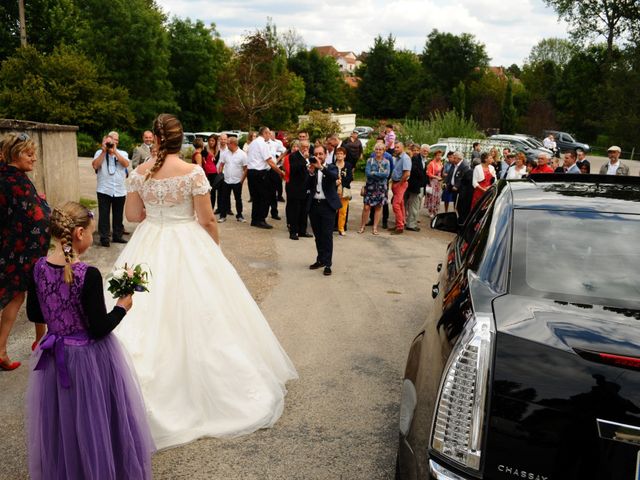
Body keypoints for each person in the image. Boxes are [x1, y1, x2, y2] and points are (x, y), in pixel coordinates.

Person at [110, 113, 298, 450]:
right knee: (205, 312)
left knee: (143, 312)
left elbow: (132, 217)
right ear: (180, 140)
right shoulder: (192, 172)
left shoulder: (138, 173)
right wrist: (213, 252)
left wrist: (155, 209)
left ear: (154, 138)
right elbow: (206, 219)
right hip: (186, 240)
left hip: (149, 241)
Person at [26, 202, 154, 479]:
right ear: (80, 233)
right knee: (93, 419)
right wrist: (122, 307)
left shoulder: (37, 268)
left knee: (63, 420)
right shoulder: (88, 275)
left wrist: (57, 319)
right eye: (92, 233)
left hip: (54, 354)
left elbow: (34, 313)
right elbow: (99, 328)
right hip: (87, 359)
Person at [0, 133, 51, 371]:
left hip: (24, 250)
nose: (34, 158)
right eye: (29, 154)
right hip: (19, 252)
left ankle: (39, 341)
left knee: (27, 293)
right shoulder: (12, 180)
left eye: (35, 154)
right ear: (14, 154)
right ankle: (5, 349)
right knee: (21, 294)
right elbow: (26, 215)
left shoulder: (13, 176)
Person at [307, 146, 341, 276]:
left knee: (327, 235)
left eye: (321, 154)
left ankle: (328, 264)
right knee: (318, 235)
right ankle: (320, 259)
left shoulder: (331, 167)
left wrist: (321, 167)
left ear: (326, 154)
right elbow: (306, 185)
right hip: (314, 205)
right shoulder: (312, 168)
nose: (318, 156)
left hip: (328, 206)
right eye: (316, 154)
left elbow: (333, 177)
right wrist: (310, 173)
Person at [92, 131, 130, 247]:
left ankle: (117, 236)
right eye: (110, 141)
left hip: (119, 189)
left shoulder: (122, 153)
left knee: (118, 215)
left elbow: (126, 164)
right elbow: (95, 165)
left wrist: (115, 152)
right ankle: (104, 238)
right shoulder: (99, 152)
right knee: (104, 214)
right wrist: (104, 152)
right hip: (104, 189)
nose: (112, 143)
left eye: (115, 141)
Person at [247, 127, 285, 229]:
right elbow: (270, 161)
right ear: (265, 133)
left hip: (251, 173)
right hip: (260, 173)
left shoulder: (253, 143)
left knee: (256, 198)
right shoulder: (262, 143)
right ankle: (261, 219)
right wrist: (280, 172)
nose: (270, 136)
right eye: (268, 133)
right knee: (265, 197)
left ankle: (255, 219)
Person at [359, 145, 390, 235]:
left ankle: (375, 228)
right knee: (366, 207)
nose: (378, 151)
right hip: (370, 187)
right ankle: (362, 226)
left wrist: (374, 173)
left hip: (381, 187)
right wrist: (379, 174)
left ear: (384, 150)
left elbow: (386, 175)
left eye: (380, 149)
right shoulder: (370, 160)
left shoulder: (386, 162)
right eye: (376, 149)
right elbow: (368, 173)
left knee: (378, 207)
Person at [285, 140, 312, 240]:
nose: (305, 149)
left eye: (307, 147)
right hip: (295, 188)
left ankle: (302, 231)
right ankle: (293, 232)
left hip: (305, 188)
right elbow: (293, 169)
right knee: (294, 211)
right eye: (303, 147)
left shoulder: (309, 156)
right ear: (300, 147)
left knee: (304, 211)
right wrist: (304, 159)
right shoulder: (294, 156)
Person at [218, 136, 248, 223]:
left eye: (228, 143)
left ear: (233, 144)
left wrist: (242, 180)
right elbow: (221, 164)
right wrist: (220, 175)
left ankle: (239, 215)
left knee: (238, 199)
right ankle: (223, 216)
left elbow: (246, 168)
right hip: (226, 180)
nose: (226, 145)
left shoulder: (242, 154)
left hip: (237, 181)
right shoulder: (225, 153)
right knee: (224, 198)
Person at [389, 142, 412, 234]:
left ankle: (400, 227)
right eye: (395, 147)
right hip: (396, 183)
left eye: (398, 147)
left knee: (396, 205)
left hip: (400, 184)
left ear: (402, 148)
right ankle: (400, 223)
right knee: (401, 204)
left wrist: (399, 184)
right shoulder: (398, 158)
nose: (395, 149)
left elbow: (407, 174)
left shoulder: (405, 158)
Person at [405, 144, 429, 231]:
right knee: (413, 207)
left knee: (416, 206)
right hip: (415, 187)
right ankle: (411, 225)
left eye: (427, 151)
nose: (425, 152)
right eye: (424, 150)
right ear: (421, 151)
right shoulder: (415, 159)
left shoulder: (424, 160)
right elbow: (415, 172)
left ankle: (412, 223)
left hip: (421, 186)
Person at [334, 147, 353, 236]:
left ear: (344, 155)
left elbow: (350, 177)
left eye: (341, 153)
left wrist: (342, 181)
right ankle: (330, 227)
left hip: (344, 191)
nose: (339, 155)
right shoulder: (332, 165)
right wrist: (335, 182)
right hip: (334, 191)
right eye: (338, 153)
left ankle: (341, 228)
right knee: (333, 210)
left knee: (343, 211)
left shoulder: (348, 165)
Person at [202, 134, 220, 212]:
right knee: (205, 190)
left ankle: (211, 209)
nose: (211, 142)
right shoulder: (205, 149)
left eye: (213, 141)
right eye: (210, 140)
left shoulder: (218, 151)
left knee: (213, 191)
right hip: (206, 173)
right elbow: (202, 161)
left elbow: (216, 163)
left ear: (215, 142)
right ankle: (205, 208)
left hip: (214, 173)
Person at [425, 149, 444, 218]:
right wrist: (436, 177)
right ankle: (431, 211)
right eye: (438, 155)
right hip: (433, 182)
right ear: (435, 156)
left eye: (440, 155)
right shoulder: (431, 163)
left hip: (439, 182)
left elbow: (441, 173)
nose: (439, 157)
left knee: (437, 197)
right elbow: (428, 173)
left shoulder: (441, 163)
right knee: (432, 197)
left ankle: (436, 210)